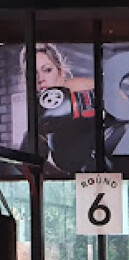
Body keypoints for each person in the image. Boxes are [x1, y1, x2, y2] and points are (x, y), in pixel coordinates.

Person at [18, 43, 99, 173]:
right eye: (33, 73)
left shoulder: (77, 88)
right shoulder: (42, 118)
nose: (40, 79)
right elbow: (25, 166)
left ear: (61, 72)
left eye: (47, 70)